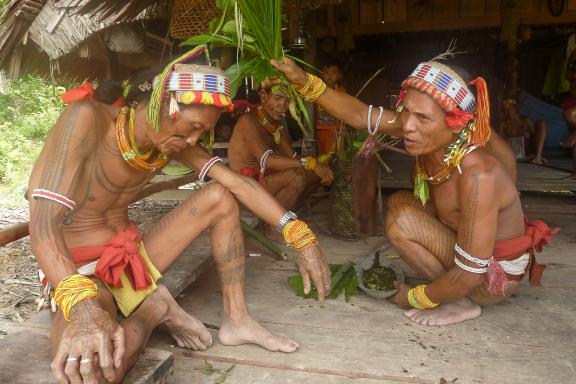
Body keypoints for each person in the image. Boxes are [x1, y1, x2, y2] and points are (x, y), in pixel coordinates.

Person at [28, 47, 331, 384]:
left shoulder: (171, 139)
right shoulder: (85, 118)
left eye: (202, 133)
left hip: (130, 260)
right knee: (94, 373)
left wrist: (300, 235)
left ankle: (237, 319)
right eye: (193, 127)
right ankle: (154, 309)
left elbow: (237, 184)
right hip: (80, 272)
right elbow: (42, 226)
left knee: (220, 196)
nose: (192, 140)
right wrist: (83, 310)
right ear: (165, 103)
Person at [272, 56, 558, 326]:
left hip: (489, 281)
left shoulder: (478, 174)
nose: (407, 125)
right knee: (399, 203)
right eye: (405, 111)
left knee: (402, 220)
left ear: (456, 123)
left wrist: (413, 297)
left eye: (422, 118)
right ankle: (449, 291)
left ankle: (458, 302)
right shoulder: (430, 131)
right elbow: (360, 115)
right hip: (468, 258)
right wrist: (301, 80)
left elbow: (472, 273)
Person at [228, 83, 334, 238]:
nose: (282, 105)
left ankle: (285, 216)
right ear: (263, 97)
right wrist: (310, 163)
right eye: (277, 98)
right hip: (244, 188)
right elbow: (268, 160)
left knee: (315, 173)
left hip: (265, 183)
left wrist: (317, 165)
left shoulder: (276, 124)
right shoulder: (248, 121)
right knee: (296, 176)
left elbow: (291, 157)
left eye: (286, 101)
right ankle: (274, 227)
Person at [499, 98, 548, 164]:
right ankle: (531, 157)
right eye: (506, 110)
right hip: (516, 149)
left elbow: (536, 136)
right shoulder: (503, 124)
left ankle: (538, 157)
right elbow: (499, 139)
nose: (509, 111)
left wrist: (528, 135)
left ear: (516, 108)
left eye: (511, 109)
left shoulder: (526, 120)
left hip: (529, 147)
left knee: (542, 123)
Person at [315, 60, 347, 157]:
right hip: (318, 130)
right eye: (326, 72)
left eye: (333, 72)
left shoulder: (341, 91)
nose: (329, 76)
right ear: (321, 74)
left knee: (332, 156)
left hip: (334, 131)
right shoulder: (316, 89)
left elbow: (345, 112)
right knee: (320, 155)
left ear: (339, 75)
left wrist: (343, 129)